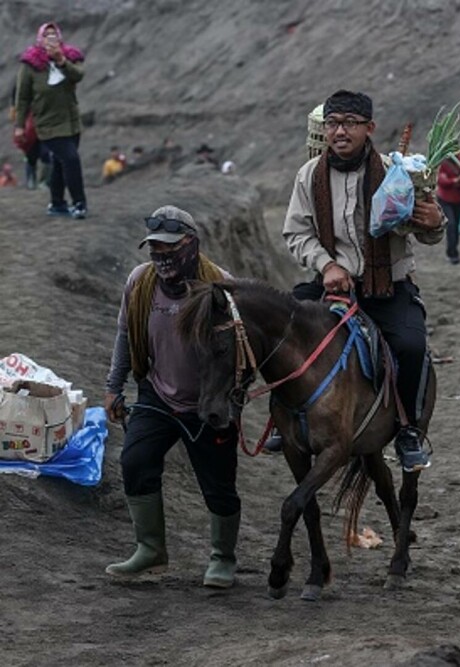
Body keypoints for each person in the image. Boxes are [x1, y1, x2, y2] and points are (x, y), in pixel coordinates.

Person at [281, 90, 445, 471]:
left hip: (388, 287)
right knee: (281, 331)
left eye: (350, 124)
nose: (340, 131)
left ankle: (408, 431)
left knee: (411, 345)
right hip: (331, 283)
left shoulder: (397, 173)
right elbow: (296, 233)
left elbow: (426, 230)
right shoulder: (309, 175)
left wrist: (436, 223)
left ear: (369, 128)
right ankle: (284, 420)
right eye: (333, 123)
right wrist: (326, 265)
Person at [103, 205, 242, 588]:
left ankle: (222, 557)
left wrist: (233, 402)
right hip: (157, 392)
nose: (161, 258)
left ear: (192, 245)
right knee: (135, 461)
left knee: (218, 483)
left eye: (170, 248)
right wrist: (114, 387)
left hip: (208, 403)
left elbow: (244, 352)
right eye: (154, 250)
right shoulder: (140, 282)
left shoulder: (221, 287)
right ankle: (150, 550)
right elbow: (124, 336)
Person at [13, 22, 88, 218]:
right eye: (47, 36)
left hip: (71, 121)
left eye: (54, 35)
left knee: (60, 162)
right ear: (40, 39)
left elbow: (79, 76)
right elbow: (22, 98)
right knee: (71, 159)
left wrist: (62, 61)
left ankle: (57, 204)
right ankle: (80, 203)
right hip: (46, 123)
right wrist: (19, 126)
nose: (50, 39)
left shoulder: (69, 56)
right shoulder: (30, 64)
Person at [436, 151, 460, 264]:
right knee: (451, 224)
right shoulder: (442, 162)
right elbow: (441, 180)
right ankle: (452, 253)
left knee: (456, 225)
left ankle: (454, 249)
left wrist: (458, 181)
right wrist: (455, 180)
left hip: (459, 198)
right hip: (445, 199)